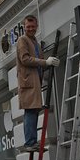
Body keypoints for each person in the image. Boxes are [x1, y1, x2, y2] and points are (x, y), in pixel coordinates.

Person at [16, 15, 60, 152]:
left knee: (34, 111)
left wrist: (50, 63)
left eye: (33, 26)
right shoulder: (22, 40)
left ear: (36, 26)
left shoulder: (35, 42)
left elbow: (39, 62)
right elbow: (25, 59)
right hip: (28, 82)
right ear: (24, 27)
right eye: (28, 26)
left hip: (34, 82)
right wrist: (45, 62)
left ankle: (32, 142)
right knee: (30, 111)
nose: (30, 29)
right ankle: (30, 142)